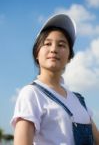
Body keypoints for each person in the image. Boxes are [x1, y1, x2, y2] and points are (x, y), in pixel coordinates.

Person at [11, 14, 99, 145]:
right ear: (37, 53)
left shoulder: (79, 100)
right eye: (47, 43)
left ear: (69, 57)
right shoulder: (31, 94)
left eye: (61, 45)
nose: (54, 49)